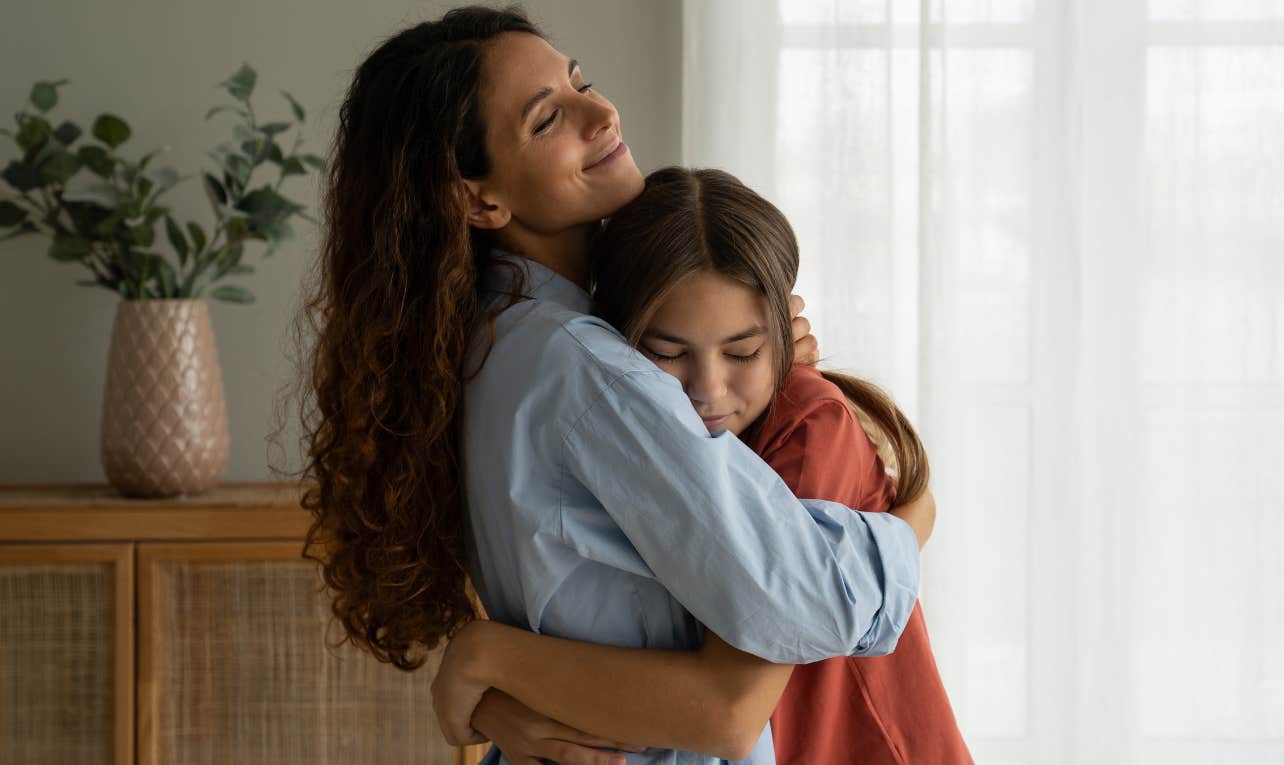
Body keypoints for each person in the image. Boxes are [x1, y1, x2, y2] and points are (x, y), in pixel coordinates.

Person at [293, 7, 933, 764]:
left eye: (580, 82)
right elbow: (794, 620)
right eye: (547, 119)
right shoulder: (587, 370)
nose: (601, 113)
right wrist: (914, 520)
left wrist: (486, 670)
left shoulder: (484, 344)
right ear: (479, 199)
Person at [433, 168, 972, 765]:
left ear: (785, 333)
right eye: (665, 354)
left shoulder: (810, 430)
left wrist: (487, 661)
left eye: (742, 351)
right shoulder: (617, 420)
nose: (708, 390)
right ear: (620, 346)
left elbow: (732, 704)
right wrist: (495, 693)